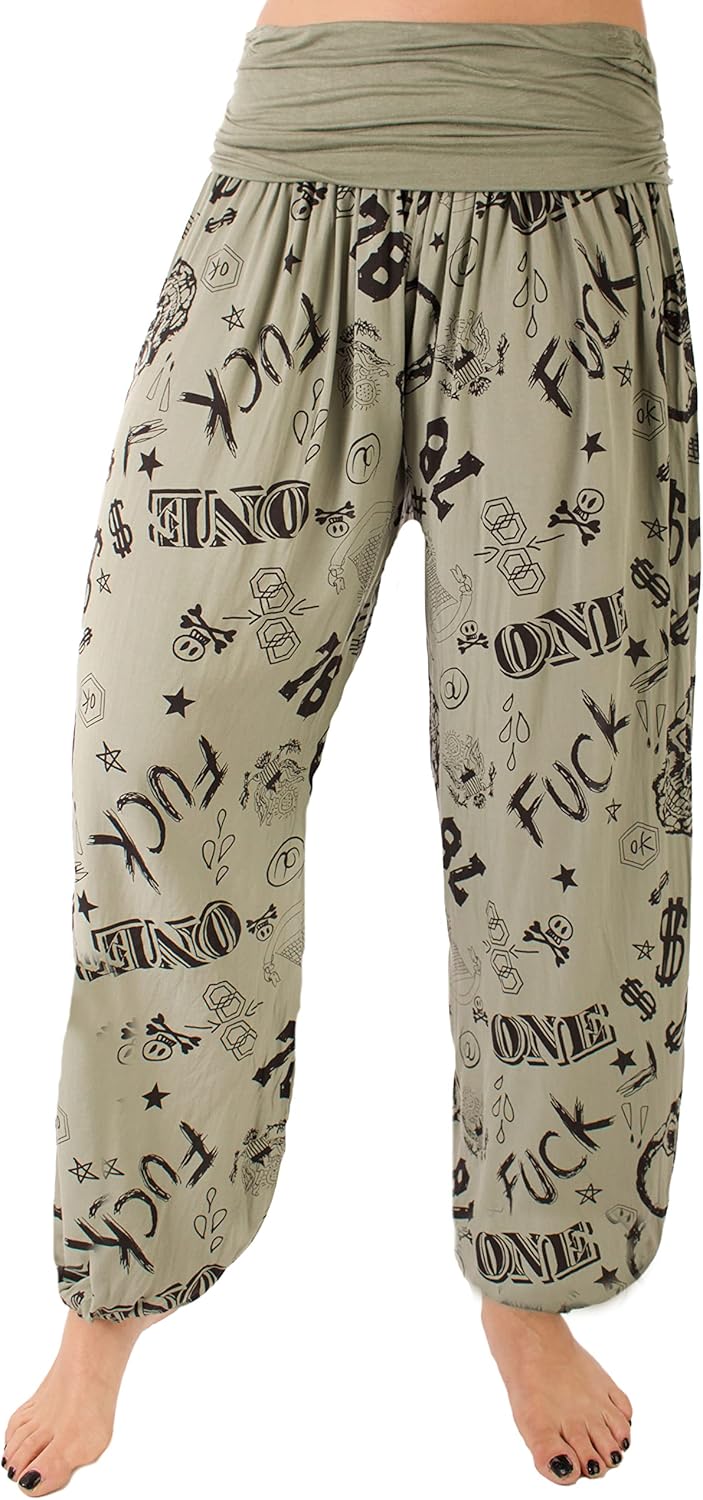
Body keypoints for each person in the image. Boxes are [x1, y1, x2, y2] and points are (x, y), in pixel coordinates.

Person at [3, 0, 698, 1491]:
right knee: (153, 750)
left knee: (572, 819)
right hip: (294, 174)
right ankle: (118, 1274)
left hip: (566, 189)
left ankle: (533, 1280)